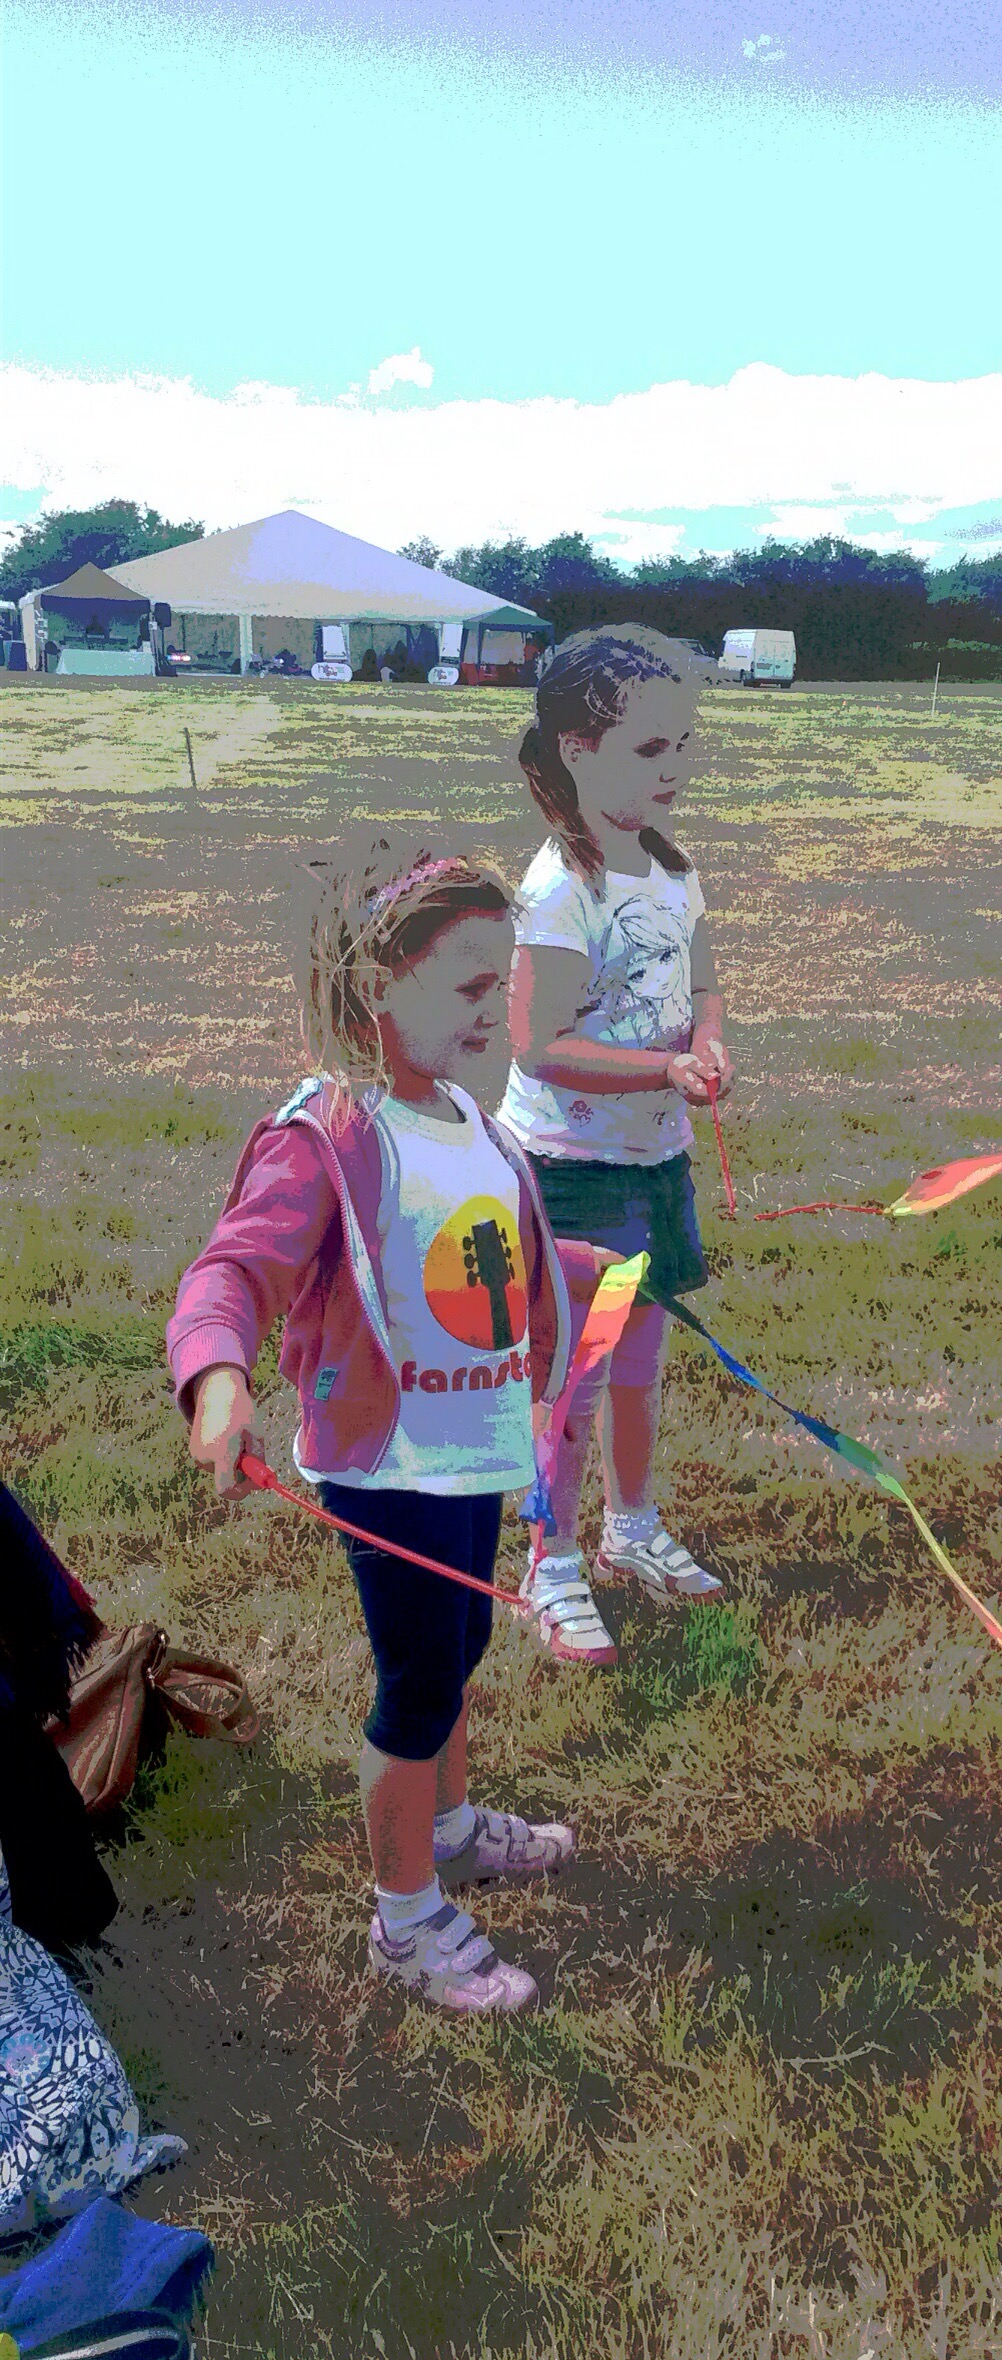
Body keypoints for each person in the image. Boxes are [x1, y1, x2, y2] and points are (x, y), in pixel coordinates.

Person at [167, 843, 610, 2018]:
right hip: (391, 1467)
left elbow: (479, 1266)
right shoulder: (328, 1133)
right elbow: (234, 1270)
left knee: (460, 1649)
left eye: (502, 981)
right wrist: (217, 1375)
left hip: (472, 1450)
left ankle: (449, 1828)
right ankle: (405, 1918)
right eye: (469, 986)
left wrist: (584, 1275)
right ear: (377, 986)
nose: (496, 1010)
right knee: (417, 1688)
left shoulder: (468, 1118)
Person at [497, 626, 734, 1667]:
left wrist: (709, 1044)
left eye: (683, 745)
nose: (673, 768)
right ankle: (549, 1561)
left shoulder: (673, 869)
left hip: (654, 1163)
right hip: (570, 1173)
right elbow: (537, 1046)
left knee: (639, 1365)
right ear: (577, 750)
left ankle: (630, 1527)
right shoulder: (561, 886)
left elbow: (703, 981)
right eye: (649, 750)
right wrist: (662, 1071)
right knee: (571, 1382)